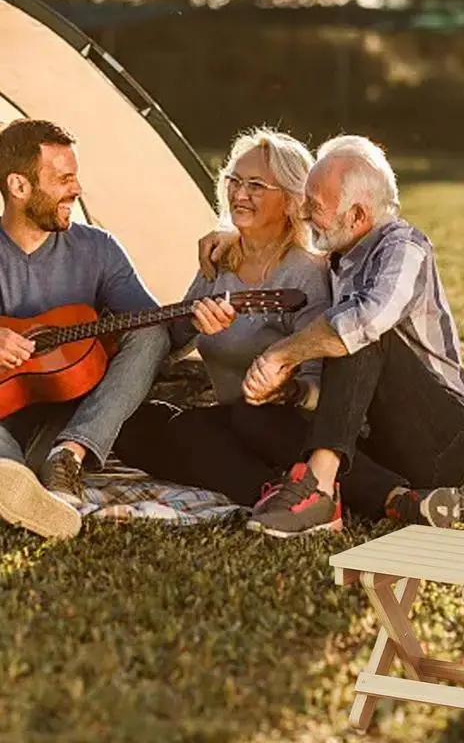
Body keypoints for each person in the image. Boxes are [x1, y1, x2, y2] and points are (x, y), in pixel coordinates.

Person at [221, 135, 464, 538]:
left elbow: (361, 326)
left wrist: (283, 354)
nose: (306, 214)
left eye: (316, 207)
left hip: (447, 444)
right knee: (251, 416)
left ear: (358, 215)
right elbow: (345, 393)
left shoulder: (404, 247)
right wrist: (292, 392)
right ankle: (399, 500)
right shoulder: (335, 259)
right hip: (379, 442)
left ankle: (321, 492)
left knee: (355, 328)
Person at [114, 128, 332, 502]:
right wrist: (190, 323)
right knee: (133, 427)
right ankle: (247, 475)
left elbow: (319, 384)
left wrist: (282, 389)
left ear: (293, 200)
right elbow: (174, 341)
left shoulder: (306, 274)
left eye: (257, 185)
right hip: (229, 419)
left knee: (193, 433)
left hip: (281, 424)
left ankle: (268, 490)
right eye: (234, 180)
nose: (240, 194)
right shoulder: (221, 260)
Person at [0, 119, 169, 539]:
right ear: (19, 187)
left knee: (151, 333)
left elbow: (156, 336)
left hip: (70, 414)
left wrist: (205, 312)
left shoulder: (98, 249)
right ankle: (22, 486)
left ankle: (65, 462)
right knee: (7, 467)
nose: (76, 190)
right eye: (63, 179)